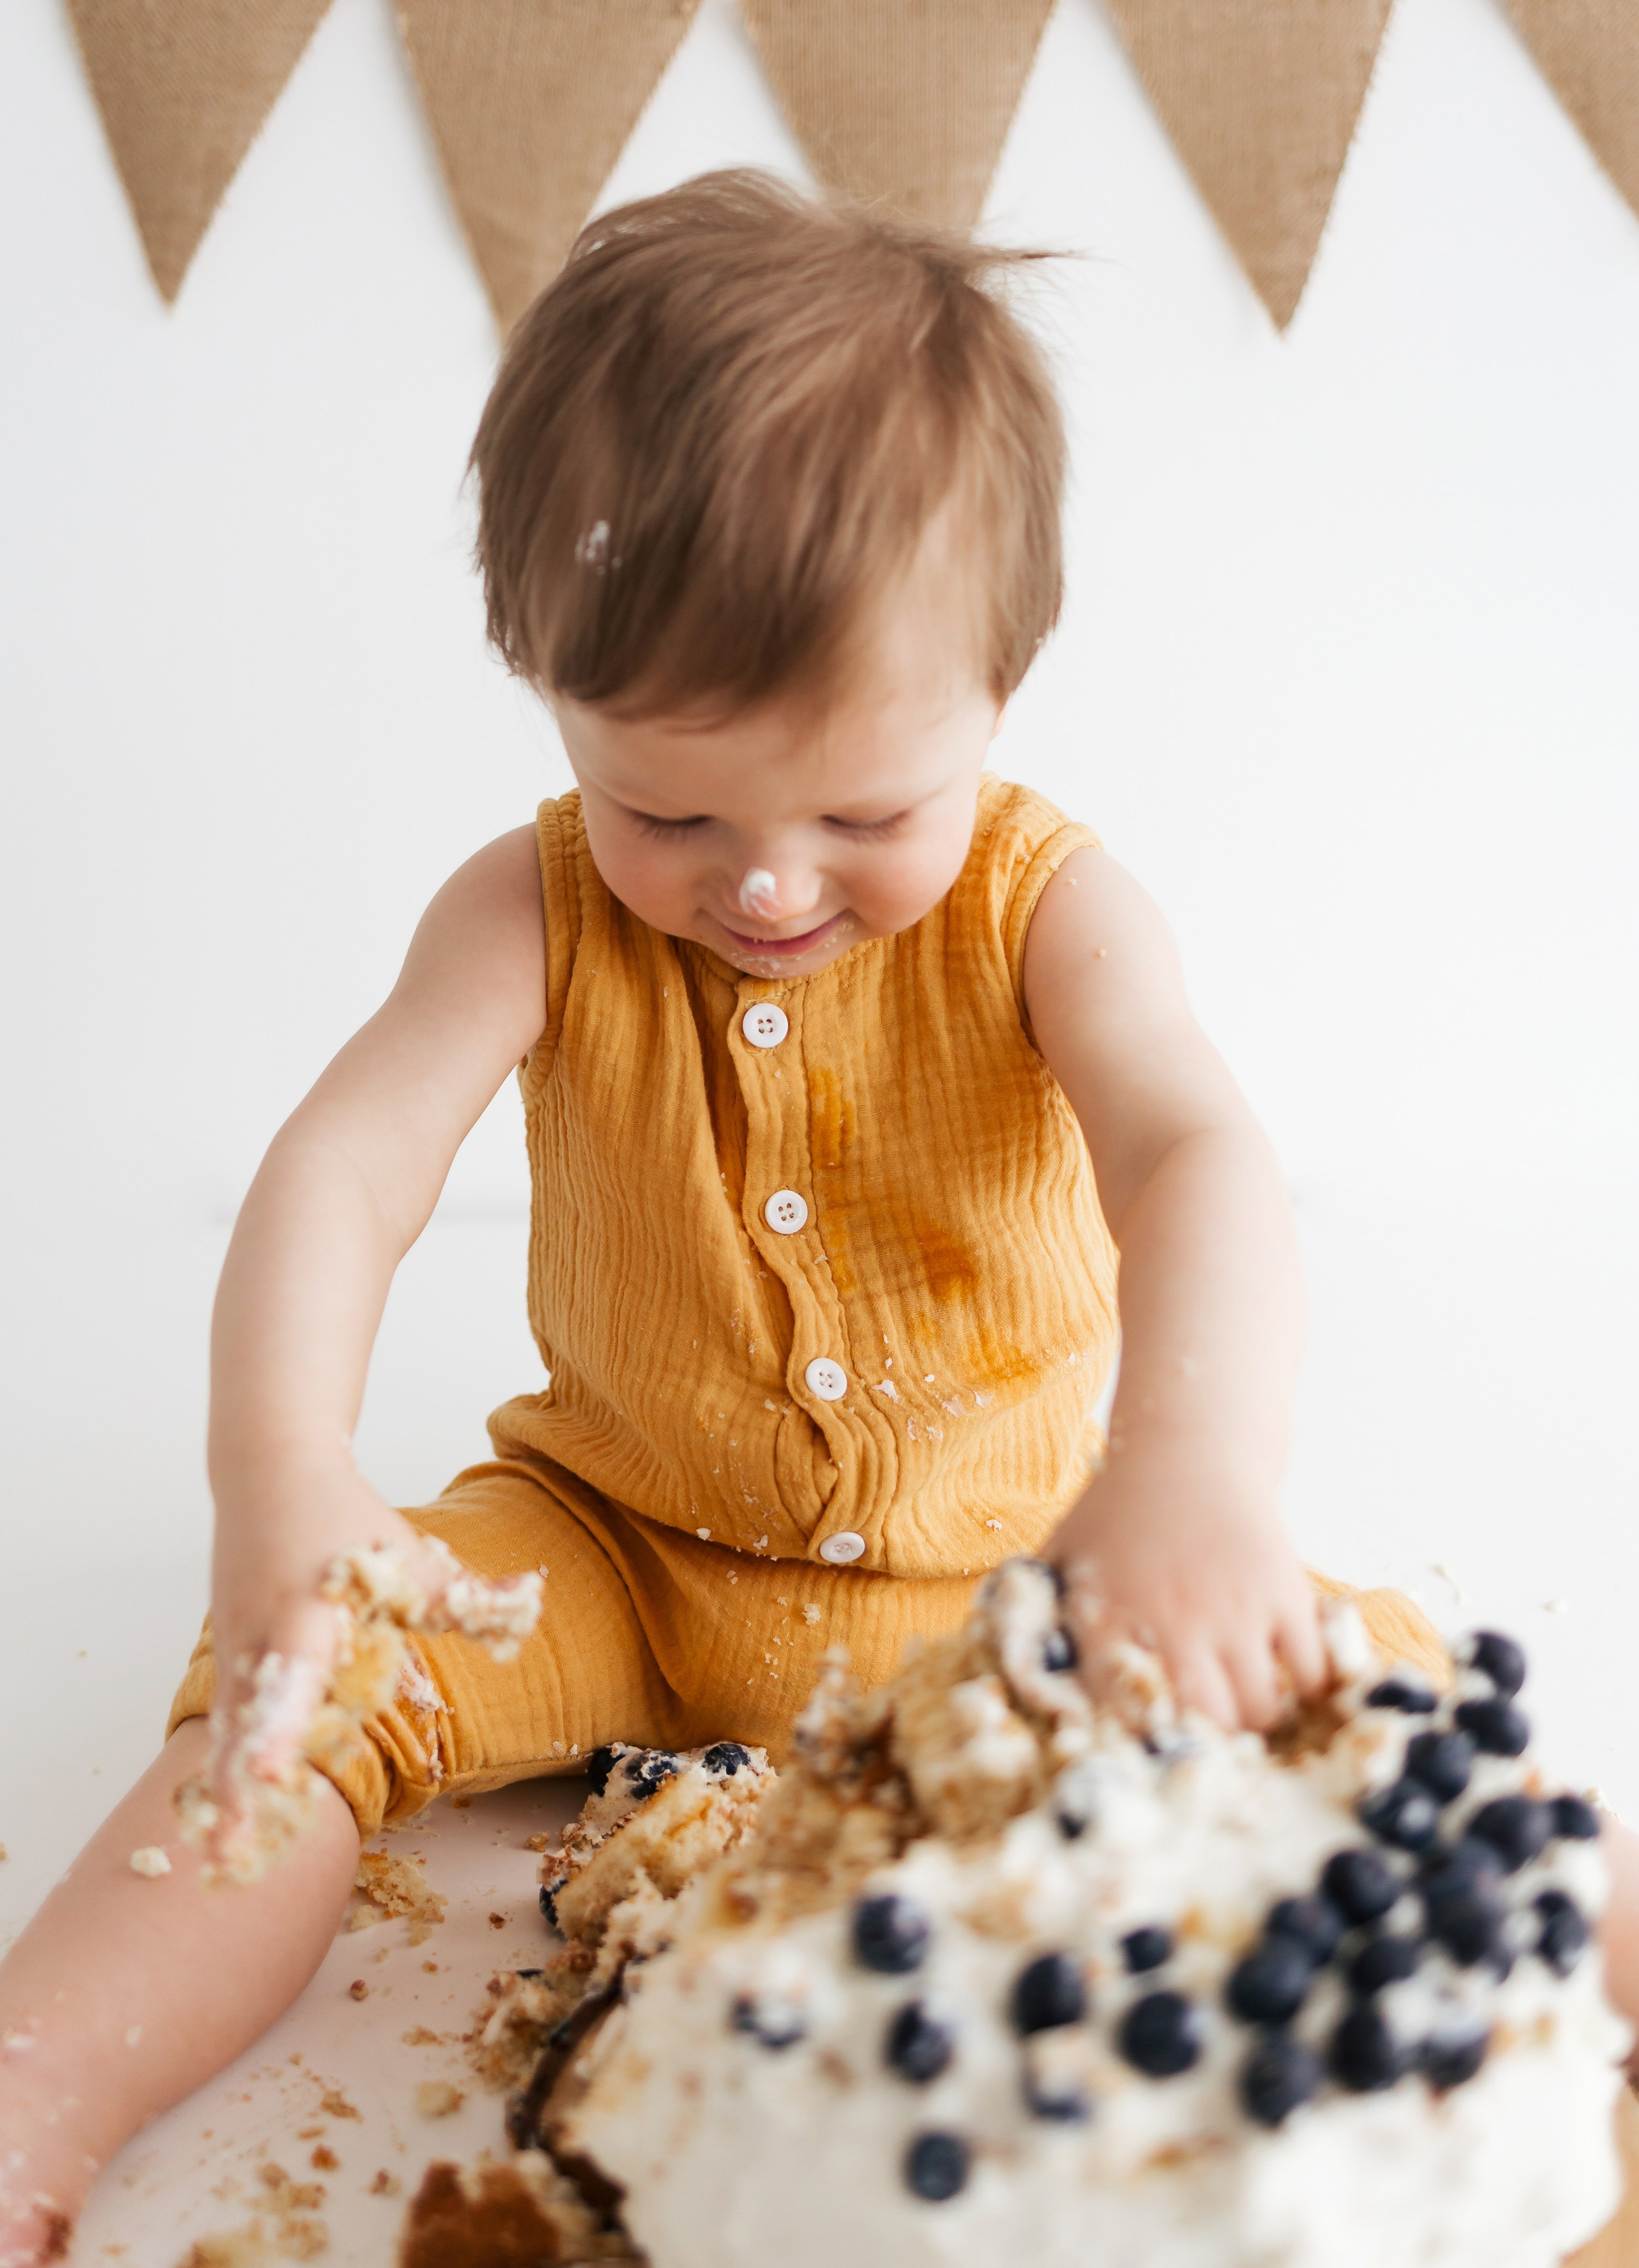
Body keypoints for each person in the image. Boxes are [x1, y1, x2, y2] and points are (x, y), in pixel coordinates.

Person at [2, 169, 1635, 2259]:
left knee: (1374, 1704)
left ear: (999, 692)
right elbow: (347, 1166)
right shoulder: (527, 911)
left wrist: (1192, 1484)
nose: (765, 887)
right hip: (612, 1549)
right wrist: (281, 1476)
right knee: (293, 1709)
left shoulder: (1054, 910)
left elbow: (1199, 1159)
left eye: (868, 814)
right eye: (667, 808)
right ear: (549, 691)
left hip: (1026, 1565)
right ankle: (39, 2088)